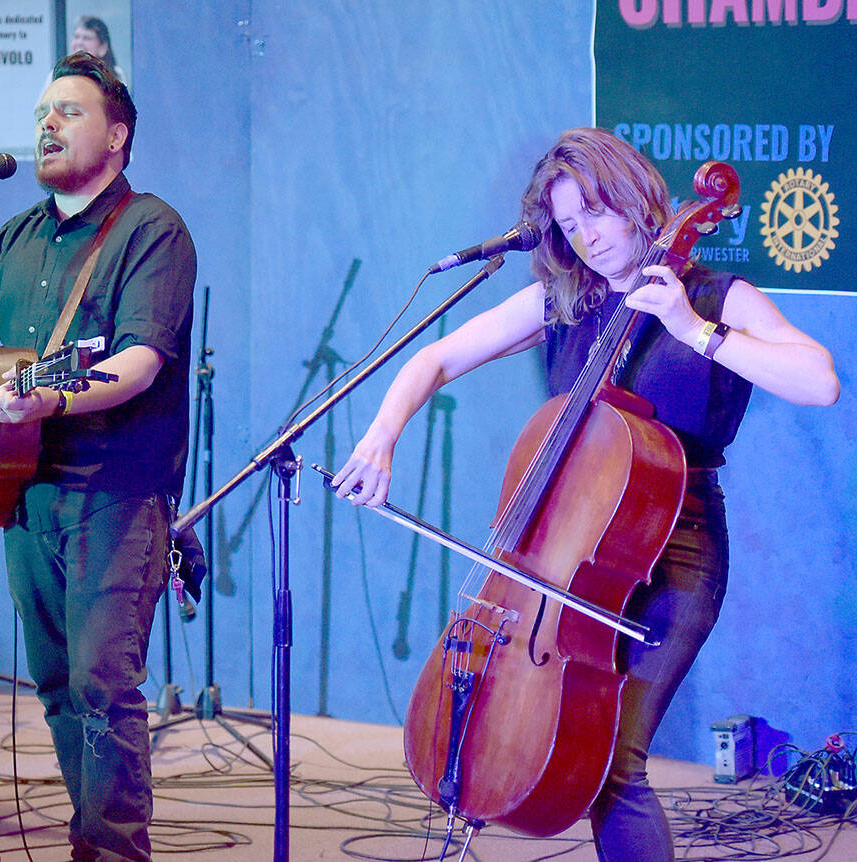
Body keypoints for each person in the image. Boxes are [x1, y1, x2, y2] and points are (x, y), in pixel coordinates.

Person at [330, 127, 839, 861]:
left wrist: (694, 331)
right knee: (591, 761)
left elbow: (819, 381)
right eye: (570, 226)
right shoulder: (566, 298)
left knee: (614, 765)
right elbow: (437, 358)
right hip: (566, 557)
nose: (588, 238)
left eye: (596, 214)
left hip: (678, 553)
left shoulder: (715, 298)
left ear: (633, 199)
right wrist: (381, 434)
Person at [0, 52, 196, 861]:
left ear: (117, 134)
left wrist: (54, 398)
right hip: (23, 491)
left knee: (105, 690)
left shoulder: (152, 230)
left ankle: (112, 852)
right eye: (42, 112)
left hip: (116, 494)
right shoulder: (18, 234)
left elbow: (137, 361)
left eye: (67, 111)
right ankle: (89, 840)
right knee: (60, 688)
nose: (46, 124)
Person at [70, 16, 125, 82]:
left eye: (87, 38)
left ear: (103, 47)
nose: (79, 43)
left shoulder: (116, 75)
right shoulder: (59, 74)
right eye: (76, 37)